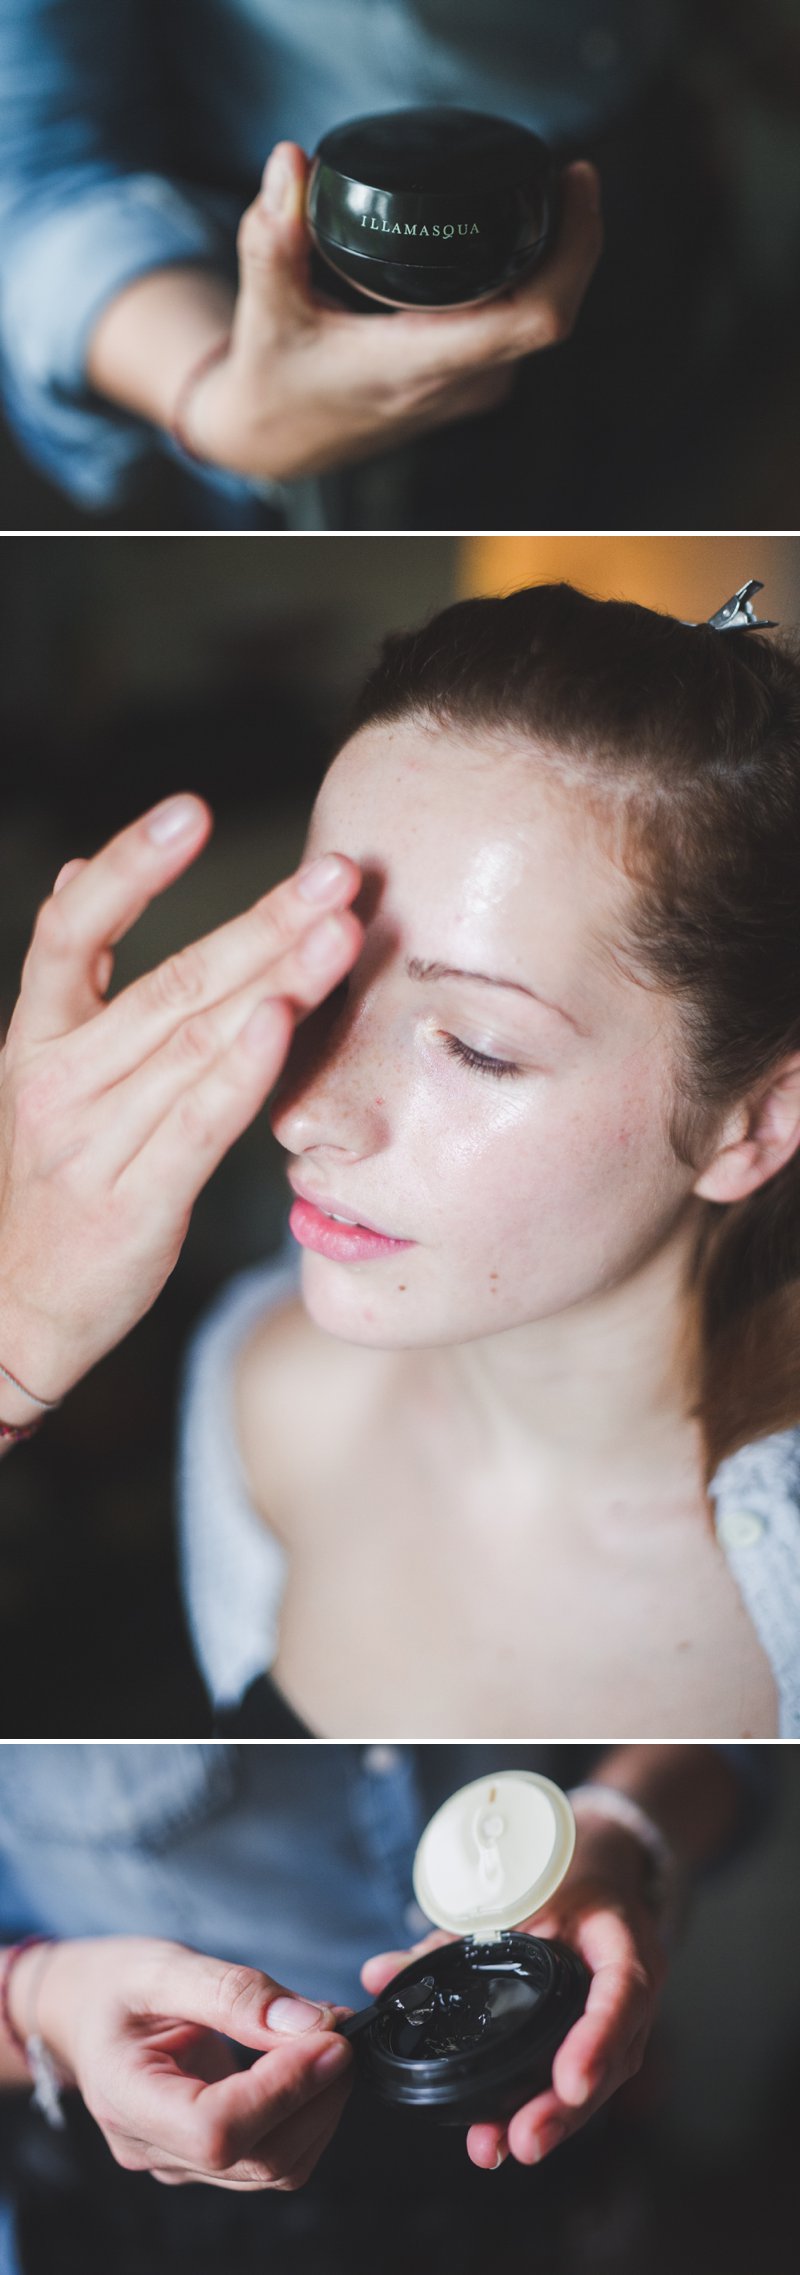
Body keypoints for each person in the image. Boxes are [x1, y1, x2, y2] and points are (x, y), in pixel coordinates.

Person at [2, 582, 800, 1735]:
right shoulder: (260, 1392)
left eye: (475, 1048)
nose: (303, 1110)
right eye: (323, 977)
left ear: (755, 1123)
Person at [0, 1742, 768, 2274]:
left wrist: (618, 1831)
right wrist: (44, 1999)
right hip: (164, 2185)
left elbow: (738, 1725)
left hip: (569, 2119)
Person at [0, 2, 728, 530]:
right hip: (327, 329)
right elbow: (39, 181)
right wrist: (219, 400)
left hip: (659, 175)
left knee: (657, 487)